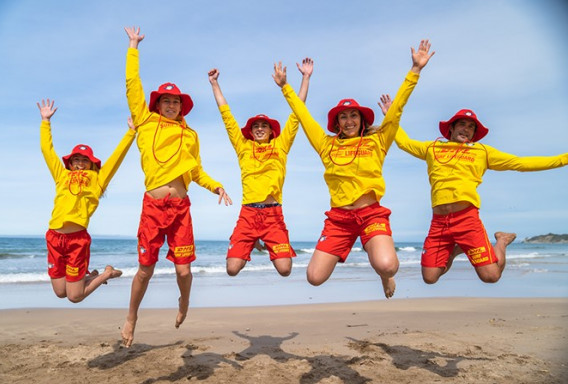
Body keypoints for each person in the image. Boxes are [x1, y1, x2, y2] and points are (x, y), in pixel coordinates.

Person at [272, 40, 434, 298]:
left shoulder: (378, 140)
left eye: (353, 116)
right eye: (343, 117)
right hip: (340, 220)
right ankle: (362, 254)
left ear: (362, 120)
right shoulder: (326, 144)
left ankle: (384, 276)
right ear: (336, 122)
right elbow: (303, 116)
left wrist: (415, 70)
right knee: (314, 278)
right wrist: (286, 88)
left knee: (387, 264)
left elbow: (396, 112)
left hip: (371, 214)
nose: (348, 121)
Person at [378, 95, 568, 284]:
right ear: (451, 128)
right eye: (462, 124)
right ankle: (455, 249)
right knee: (430, 278)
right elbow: (404, 142)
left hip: (467, 220)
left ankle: (501, 240)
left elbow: (520, 163)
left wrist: (564, 158)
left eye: (471, 127)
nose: (466, 129)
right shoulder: (432, 148)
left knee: (491, 276)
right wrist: (390, 116)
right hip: (440, 222)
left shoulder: (482, 152)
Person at [122, 26, 232, 348]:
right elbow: (132, 85)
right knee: (145, 270)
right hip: (153, 208)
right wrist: (133, 47)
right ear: (158, 104)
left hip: (181, 208)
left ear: (182, 106)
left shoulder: (191, 135)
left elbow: (196, 171)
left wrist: (215, 187)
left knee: (183, 272)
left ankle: (184, 302)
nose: (171, 105)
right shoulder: (145, 121)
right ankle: (132, 317)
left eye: (176, 102)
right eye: (166, 101)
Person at [207, 58, 314, 277]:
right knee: (232, 269)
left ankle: (260, 239)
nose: (259, 129)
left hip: (274, 214)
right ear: (250, 131)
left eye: (264, 125)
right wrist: (215, 84)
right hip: (248, 213)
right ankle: (251, 240)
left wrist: (305, 78)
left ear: (271, 130)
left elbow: (297, 114)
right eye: (255, 126)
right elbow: (226, 115)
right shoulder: (242, 146)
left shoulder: (281, 145)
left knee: (285, 270)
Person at [38, 98, 133, 303]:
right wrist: (46, 122)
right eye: (76, 160)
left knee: (74, 296)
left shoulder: (97, 180)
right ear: (70, 163)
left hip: (76, 241)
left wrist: (131, 133)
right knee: (60, 292)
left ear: (91, 164)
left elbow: (116, 158)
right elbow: (47, 151)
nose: (80, 163)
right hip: (54, 238)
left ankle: (106, 273)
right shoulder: (61, 175)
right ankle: (89, 276)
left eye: (84, 160)